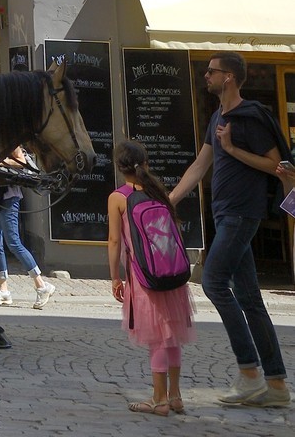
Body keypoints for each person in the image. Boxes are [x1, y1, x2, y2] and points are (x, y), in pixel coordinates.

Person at [171, 52, 289, 408]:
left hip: (242, 213)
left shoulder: (248, 117)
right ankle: (277, 387)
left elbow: (275, 165)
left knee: (214, 282)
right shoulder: (217, 117)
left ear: (230, 78)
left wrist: (233, 148)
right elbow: (199, 165)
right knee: (250, 299)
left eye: (212, 71)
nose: (205, 75)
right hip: (225, 214)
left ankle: (250, 374)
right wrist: (168, 199)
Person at [109, 139, 195, 416]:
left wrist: (114, 278)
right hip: (172, 273)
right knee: (171, 336)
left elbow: (114, 241)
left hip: (144, 277)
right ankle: (176, 396)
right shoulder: (158, 192)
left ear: (119, 167)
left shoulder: (118, 197)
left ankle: (158, 400)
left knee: (158, 337)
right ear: (145, 164)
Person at [0, 149, 55, 309]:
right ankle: (3, 290)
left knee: (13, 242)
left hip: (8, 195)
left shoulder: (9, 139)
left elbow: (20, 161)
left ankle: (41, 285)